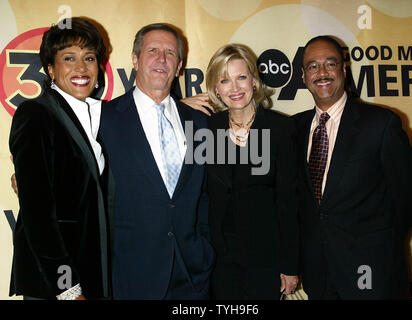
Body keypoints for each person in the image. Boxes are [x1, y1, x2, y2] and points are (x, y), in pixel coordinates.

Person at [293, 35, 412, 299]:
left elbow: (410, 195)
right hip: (319, 274)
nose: (322, 72)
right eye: (313, 66)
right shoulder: (293, 129)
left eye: (330, 63)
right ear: (304, 76)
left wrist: (378, 244)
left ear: (343, 69)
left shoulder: (381, 124)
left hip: (373, 272)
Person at [98, 23, 215, 300]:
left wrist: (205, 250)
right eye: (152, 51)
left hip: (193, 276)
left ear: (179, 66)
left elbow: (209, 194)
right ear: (135, 59)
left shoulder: (201, 124)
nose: (161, 59)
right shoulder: (103, 119)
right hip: (131, 277)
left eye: (169, 53)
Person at [9, 17, 114, 300]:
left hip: (94, 275)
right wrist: (66, 289)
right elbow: (38, 216)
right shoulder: (36, 115)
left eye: (89, 58)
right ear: (51, 69)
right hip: (56, 284)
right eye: (69, 58)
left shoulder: (98, 119)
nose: (81, 68)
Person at [184, 43, 299, 299]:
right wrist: (180, 105)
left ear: (255, 82)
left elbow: (289, 202)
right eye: (225, 80)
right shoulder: (205, 129)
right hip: (218, 258)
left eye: (241, 77)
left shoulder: (280, 128)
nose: (234, 88)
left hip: (266, 257)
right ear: (215, 88)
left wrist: (290, 264)